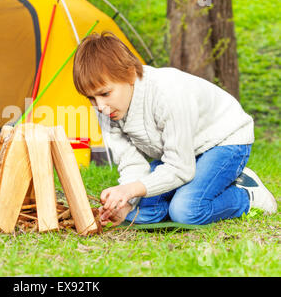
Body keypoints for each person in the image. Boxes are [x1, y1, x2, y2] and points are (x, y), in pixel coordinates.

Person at [72, 32, 277, 226]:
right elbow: (131, 163)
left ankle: (248, 195)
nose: (99, 106)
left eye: (105, 93)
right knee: (144, 212)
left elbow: (180, 168)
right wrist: (126, 204)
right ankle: (202, 183)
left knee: (186, 211)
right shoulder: (106, 110)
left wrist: (130, 190)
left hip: (224, 142)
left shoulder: (167, 94)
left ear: (130, 74)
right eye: (91, 98)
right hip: (180, 154)